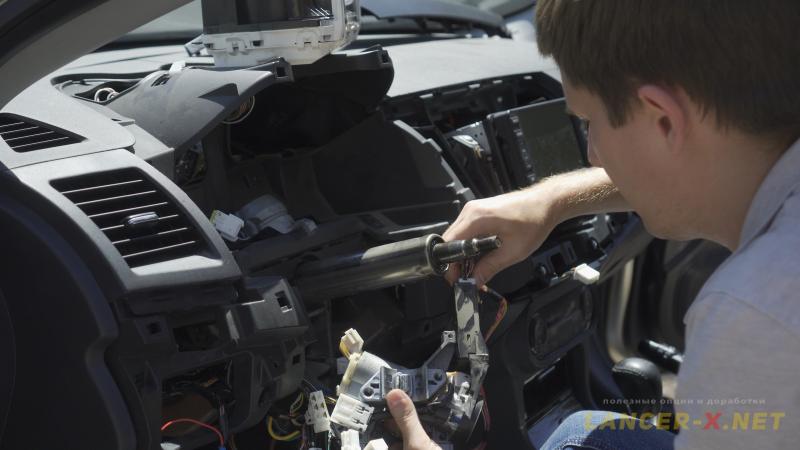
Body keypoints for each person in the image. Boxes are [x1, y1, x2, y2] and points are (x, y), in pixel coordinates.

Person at [383, 0, 800, 449]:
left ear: (663, 119)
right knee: (585, 434)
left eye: (590, 122)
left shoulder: (754, 316)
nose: (593, 156)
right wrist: (554, 199)